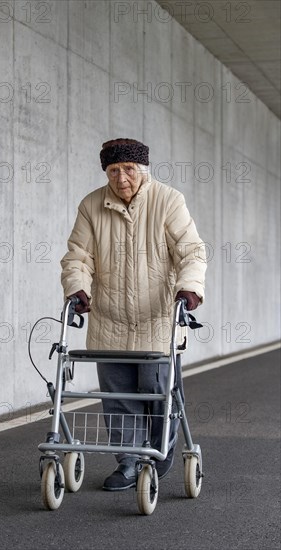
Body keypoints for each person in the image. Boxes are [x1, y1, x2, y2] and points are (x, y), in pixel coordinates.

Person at [61, 138, 206, 491]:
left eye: (128, 169)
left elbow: (191, 251)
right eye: (113, 170)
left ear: (143, 170)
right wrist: (77, 288)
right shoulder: (91, 205)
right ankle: (128, 464)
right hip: (109, 322)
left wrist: (189, 287)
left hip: (157, 323)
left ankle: (154, 458)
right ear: (105, 172)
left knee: (158, 396)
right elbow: (78, 256)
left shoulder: (168, 201)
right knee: (118, 399)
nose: (121, 178)